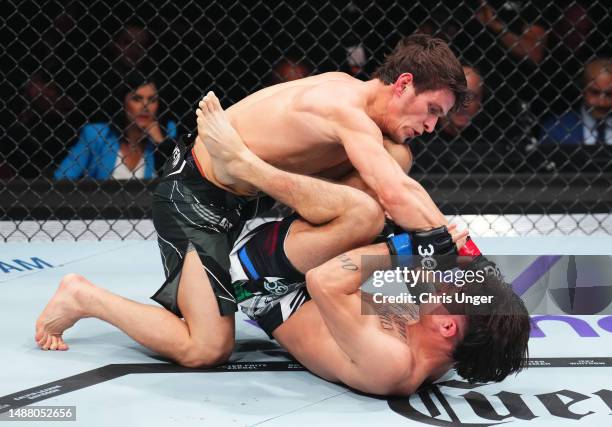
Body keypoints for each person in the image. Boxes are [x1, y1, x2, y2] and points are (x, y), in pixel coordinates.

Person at [35, 95, 528, 395]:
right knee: (393, 161)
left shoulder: (395, 365)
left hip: (270, 279)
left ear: (447, 325)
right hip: (311, 272)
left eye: (459, 294)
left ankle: (86, 296)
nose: (449, 286)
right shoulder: (445, 340)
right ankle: (257, 169)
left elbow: (326, 281)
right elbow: (441, 281)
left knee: (207, 347)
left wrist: (413, 250)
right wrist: (449, 252)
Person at [37, 34, 476, 369]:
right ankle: (84, 297)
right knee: (207, 347)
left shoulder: (356, 100)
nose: (433, 126)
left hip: (247, 198)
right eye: (433, 110)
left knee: (395, 158)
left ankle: (293, 267)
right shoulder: (344, 110)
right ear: (403, 84)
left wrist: (445, 241)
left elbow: (397, 185)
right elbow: (393, 193)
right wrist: (446, 245)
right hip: (193, 197)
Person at [54, 71, 177, 180]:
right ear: (123, 103)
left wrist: (161, 144)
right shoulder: (96, 134)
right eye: (137, 99)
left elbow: (180, 183)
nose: (145, 106)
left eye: (152, 100)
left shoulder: (168, 132)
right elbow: (62, 178)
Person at [539, 58, 611, 146]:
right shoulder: (555, 129)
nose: (601, 103)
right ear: (582, 89)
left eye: (609, 94)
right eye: (594, 92)